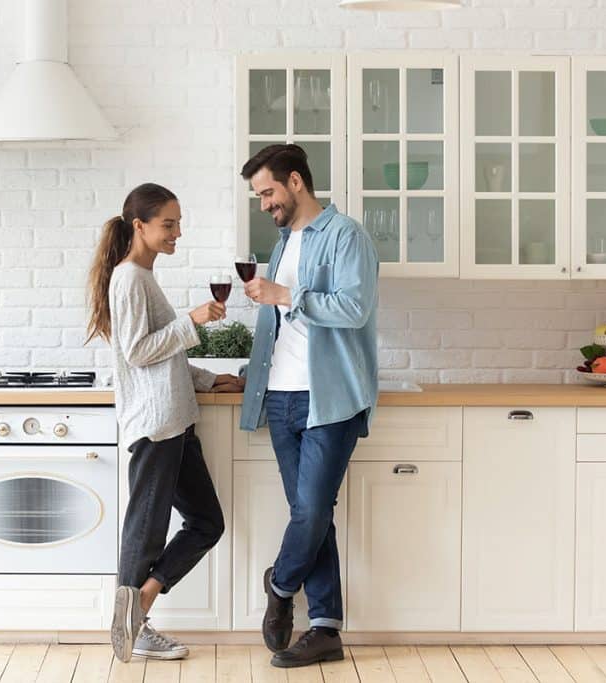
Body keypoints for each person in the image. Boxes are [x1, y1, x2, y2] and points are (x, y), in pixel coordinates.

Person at [85, 183, 245, 663]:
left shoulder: (143, 277)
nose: (177, 232)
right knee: (147, 527)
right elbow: (137, 352)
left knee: (206, 522)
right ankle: (132, 622)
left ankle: (142, 603)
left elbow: (162, 357)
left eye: (178, 223)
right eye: (168, 224)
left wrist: (209, 377)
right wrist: (193, 320)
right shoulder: (130, 278)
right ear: (140, 226)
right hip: (156, 425)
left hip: (175, 421)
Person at [238, 145, 379, 668]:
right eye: (259, 196)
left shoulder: (346, 236)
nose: (263, 204)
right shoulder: (282, 242)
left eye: (268, 192)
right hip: (280, 395)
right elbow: (282, 323)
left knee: (314, 509)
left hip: (329, 396)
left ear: (296, 182)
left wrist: (285, 295)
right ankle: (325, 629)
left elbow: (354, 307)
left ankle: (280, 584)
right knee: (310, 515)